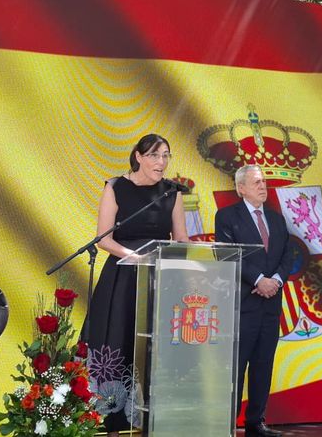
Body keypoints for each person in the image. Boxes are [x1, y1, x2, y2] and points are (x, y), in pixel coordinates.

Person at [81, 134, 188, 436]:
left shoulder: (173, 192)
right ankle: (112, 426)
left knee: (153, 349)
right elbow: (104, 238)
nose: (161, 162)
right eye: (155, 155)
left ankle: (149, 425)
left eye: (166, 155)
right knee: (117, 341)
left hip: (159, 279)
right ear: (138, 157)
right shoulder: (115, 187)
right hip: (123, 277)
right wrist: (134, 257)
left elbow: (181, 239)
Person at [214, 165, 294, 437]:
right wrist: (259, 279)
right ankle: (227, 422)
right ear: (241, 188)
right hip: (241, 305)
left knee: (263, 364)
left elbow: (287, 256)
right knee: (236, 365)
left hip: (271, 305)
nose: (263, 186)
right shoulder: (226, 217)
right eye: (257, 182)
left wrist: (276, 281)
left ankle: (255, 422)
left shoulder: (277, 220)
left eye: (264, 182)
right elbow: (227, 255)